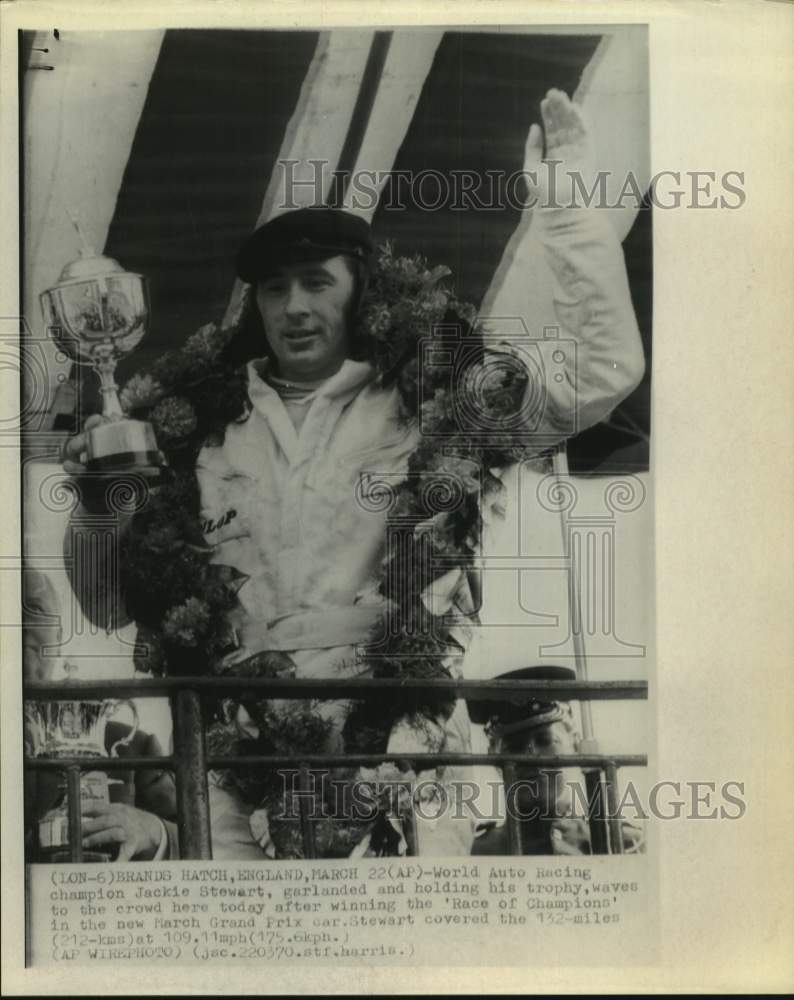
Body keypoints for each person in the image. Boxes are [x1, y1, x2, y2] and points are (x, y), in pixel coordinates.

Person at [61, 90, 645, 857]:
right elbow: (105, 604)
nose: (294, 306)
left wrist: (567, 203)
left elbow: (605, 368)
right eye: (275, 288)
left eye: (316, 282)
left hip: (408, 766)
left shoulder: (440, 403)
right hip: (234, 774)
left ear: (361, 289)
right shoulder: (195, 432)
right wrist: (99, 505)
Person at [22, 569, 179, 861]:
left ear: (58, 637)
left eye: (33, 609)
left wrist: (152, 832)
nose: (18, 623)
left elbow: (199, 836)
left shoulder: (131, 745)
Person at [468, 665, 644, 855]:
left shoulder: (627, 844)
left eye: (546, 741)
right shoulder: (477, 852)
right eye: (515, 746)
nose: (531, 756)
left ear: (575, 745)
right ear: (494, 758)